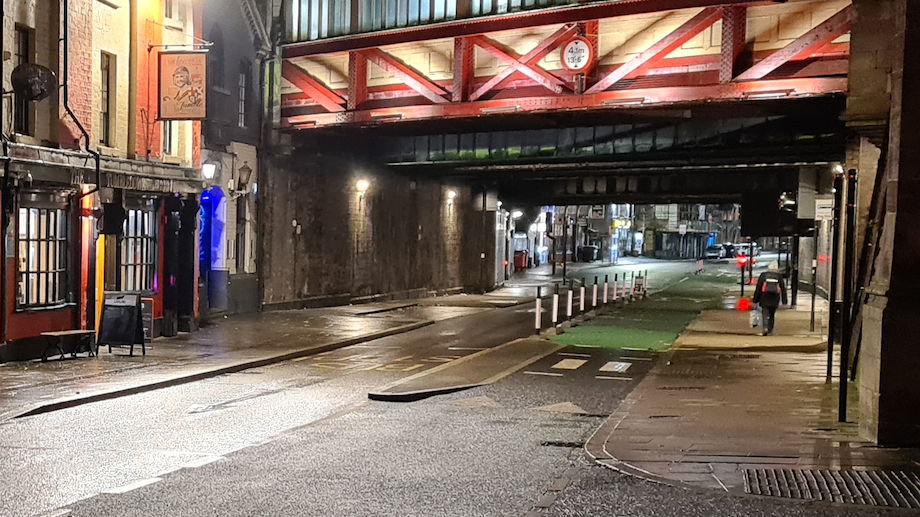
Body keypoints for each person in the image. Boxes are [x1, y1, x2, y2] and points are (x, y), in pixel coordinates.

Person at [753, 261, 787, 336]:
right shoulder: (779, 276)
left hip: (764, 296)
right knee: (772, 314)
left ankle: (765, 327)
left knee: (765, 312)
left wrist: (756, 299)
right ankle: (770, 330)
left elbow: (758, 287)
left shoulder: (763, 275)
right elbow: (783, 288)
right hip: (775, 298)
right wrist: (784, 300)